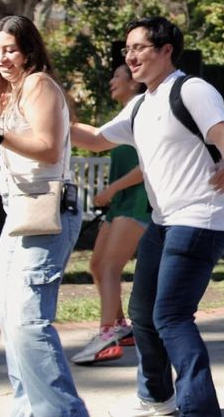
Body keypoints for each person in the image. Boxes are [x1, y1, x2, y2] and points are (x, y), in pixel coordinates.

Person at [71, 17, 224, 416]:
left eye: (139, 48)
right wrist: (41, 121)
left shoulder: (192, 90)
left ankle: (199, 410)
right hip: (164, 220)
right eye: (127, 49)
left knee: (171, 315)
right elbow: (95, 139)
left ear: (166, 50)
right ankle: (157, 398)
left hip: (200, 218)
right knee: (142, 313)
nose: (130, 57)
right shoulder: (140, 104)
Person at [0, 15, 87, 416]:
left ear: (28, 50)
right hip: (21, 211)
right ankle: (28, 409)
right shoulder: (11, 92)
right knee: (9, 317)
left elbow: (48, 148)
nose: (1, 58)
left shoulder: (38, 84)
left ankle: (63, 412)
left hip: (47, 209)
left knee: (29, 321)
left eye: (10, 50)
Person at [71, 64, 149, 365]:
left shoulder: (142, 111)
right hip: (120, 203)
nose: (111, 80)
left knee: (110, 267)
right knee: (97, 265)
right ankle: (120, 327)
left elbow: (146, 166)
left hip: (137, 202)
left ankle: (107, 337)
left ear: (134, 82)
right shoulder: (124, 115)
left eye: (118, 75)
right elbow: (95, 137)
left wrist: (112, 188)